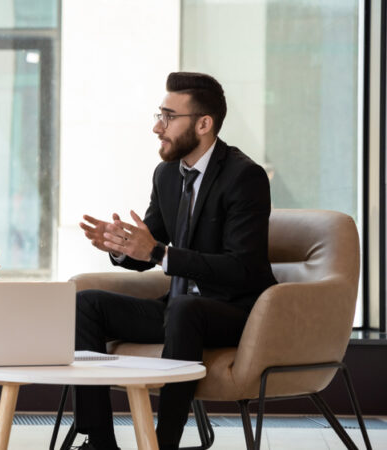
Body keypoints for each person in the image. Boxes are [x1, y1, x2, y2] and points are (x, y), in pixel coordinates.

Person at [74, 72, 277, 450]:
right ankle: (99, 440)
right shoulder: (167, 174)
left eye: (168, 117)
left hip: (235, 312)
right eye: (158, 115)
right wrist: (120, 246)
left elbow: (241, 268)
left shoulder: (244, 177)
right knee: (86, 304)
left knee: (185, 308)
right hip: (179, 308)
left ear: (204, 124)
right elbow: (149, 247)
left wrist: (156, 252)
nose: (156, 127)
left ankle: (162, 444)